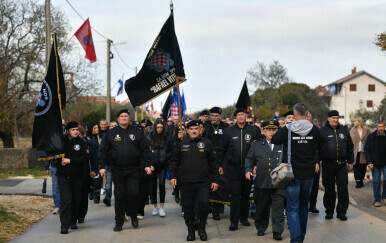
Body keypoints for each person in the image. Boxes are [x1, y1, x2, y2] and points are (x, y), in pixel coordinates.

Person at [271, 103, 321, 243]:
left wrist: (286, 126)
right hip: (309, 174)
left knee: (292, 208)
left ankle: (295, 239)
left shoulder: (288, 128)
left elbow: (274, 140)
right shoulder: (315, 130)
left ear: (294, 113)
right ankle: (301, 238)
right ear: (306, 114)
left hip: (291, 174)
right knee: (303, 207)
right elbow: (320, 146)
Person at [99, 109, 152, 231]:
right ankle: (119, 221)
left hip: (134, 169)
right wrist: (102, 167)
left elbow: (145, 150)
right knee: (120, 196)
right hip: (117, 169)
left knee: (134, 193)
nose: (124, 118)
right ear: (118, 119)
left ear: (129, 119)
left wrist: (148, 165)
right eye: (121, 116)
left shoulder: (137, 132)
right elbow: (104, 152)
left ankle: (133, 216)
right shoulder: (111, 133)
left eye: (126, 116)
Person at [169, 120, 219, 241]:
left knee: (204, 205)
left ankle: (202, 229)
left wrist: (215, 180)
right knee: (187, 207)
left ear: (199, 130)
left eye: (196, 128)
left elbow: (213, 163)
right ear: (187, 130)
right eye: (191, 129)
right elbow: (174, 162)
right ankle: (191, 230)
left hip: (203, 181)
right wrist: (173, 177)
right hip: (186, 182)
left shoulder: (207, 143)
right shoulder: (182, 144)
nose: (194, 131)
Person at [220, 108, 262, 231]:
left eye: (242, 115)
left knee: (245, 194)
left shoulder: (254, 130)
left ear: (246, 116)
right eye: (238, 115)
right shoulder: (229, 131)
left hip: (248, 169)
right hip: (233, 168)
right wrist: (219, 165)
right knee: (235, 195)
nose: (240, 117)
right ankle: (234, 221)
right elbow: (222, 149)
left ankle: (244, 217)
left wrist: (257, 164)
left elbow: (259, 148)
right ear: (235, 117)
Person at [245, 120, 284, 240]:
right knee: (262, 207)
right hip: (262, 180)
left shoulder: (283, 144)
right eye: (269, 130)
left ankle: (277, 231)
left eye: (274, 130)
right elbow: (249, 158)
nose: (271, 132)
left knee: (278, 208)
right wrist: (248, 169)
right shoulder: (256, 144)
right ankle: (261, 227)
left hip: (279, 181)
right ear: (263, 131)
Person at [319, 110, 354, 221]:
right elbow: (317, 148)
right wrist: (316, 161)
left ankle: (341, 212)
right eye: (333, 117)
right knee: (329, 189)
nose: (335, 120)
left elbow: (350, 146)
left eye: (337, 117)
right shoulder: (322, 131)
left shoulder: (344, 130)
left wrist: (350, 161)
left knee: (343, 188)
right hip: (328, 164)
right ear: (328, 118)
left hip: (342, 165)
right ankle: (329, 211)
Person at [58, 121, 89, 234]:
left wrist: (70, 160)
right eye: (73, 130)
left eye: (76, 129)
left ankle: (73, 220)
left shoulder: (82, 142)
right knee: (66, 200)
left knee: (76, 199)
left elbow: (85, 158)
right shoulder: (61, 141)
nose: (75, 132)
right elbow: (54, 154)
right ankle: (64, 225)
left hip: (77, 176)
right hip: (63, 175)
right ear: (68, 131)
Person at [203, 107, 229, 220]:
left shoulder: (225, 127)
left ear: (220, 116)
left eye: (216, 116)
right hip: (207, 158)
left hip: (221, 158)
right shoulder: (205, 125)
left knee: (219, 183)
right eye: (212, 115)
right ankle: (208, 206)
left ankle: (217, 209)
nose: (214, 118)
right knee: (207, 183)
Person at [148, 120, 173, 217]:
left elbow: (171, 150)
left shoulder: (167, 137)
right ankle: (155, 206)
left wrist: (166, 158)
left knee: (162, 184)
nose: (159, 129)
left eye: (161, 127)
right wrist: (150, 163)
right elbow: (147, 151)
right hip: (153, 165)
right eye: (157, 127)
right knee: (153, 186)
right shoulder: (149, 137)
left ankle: (162, 207)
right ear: (155, 127)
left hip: (163, 164)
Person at [77, 126, 98, 223]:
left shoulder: (90, 144)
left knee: (83, 196)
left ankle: (81, 215)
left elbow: (94, 159)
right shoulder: (68, 144)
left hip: (85, 173)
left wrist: (94, 170)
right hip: (73, 173)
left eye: (78, 134)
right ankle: (73, 214)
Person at [364, 121, 386, 207]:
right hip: (374, 163)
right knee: (376, 181)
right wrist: (369, 162)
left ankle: (384, 196)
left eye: (382, 127)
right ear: (376, 127)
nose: (381, 128)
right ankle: (377, 200)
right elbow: (367, 149)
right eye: (379, 127)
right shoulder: (371, 137)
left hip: (385, 163)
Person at [98, 121, 118, 207]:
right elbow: (102, 150)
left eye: (115, 126)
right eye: (112, 126)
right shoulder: (106, 136)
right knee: (108, 181)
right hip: (108, 163)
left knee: (117, 182)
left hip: (118, 164)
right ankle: (108, 198)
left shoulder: (120, 135)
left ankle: (118, 199)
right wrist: (101, 163)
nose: (113, 127)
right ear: (109, 127)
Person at [306, 112, 321, 214]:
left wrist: (316, 162)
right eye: (305, 117)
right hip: (302, 162)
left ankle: (312, 206)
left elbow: (318, 147)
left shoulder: (315, 130)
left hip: (314, 161)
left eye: (308, 117)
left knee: (315, 185)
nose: (306, 119)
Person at [350, 117, 371, 188]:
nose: (354, 123)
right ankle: (358, 181)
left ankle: (361, 180)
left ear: (359, 122)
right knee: (356, 166)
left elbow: (370, 139)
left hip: (364, 151)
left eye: (355, 121)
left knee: (363, 166)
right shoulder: (352, 130)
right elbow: (350, 141)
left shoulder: (366, 130)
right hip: (355, 151)